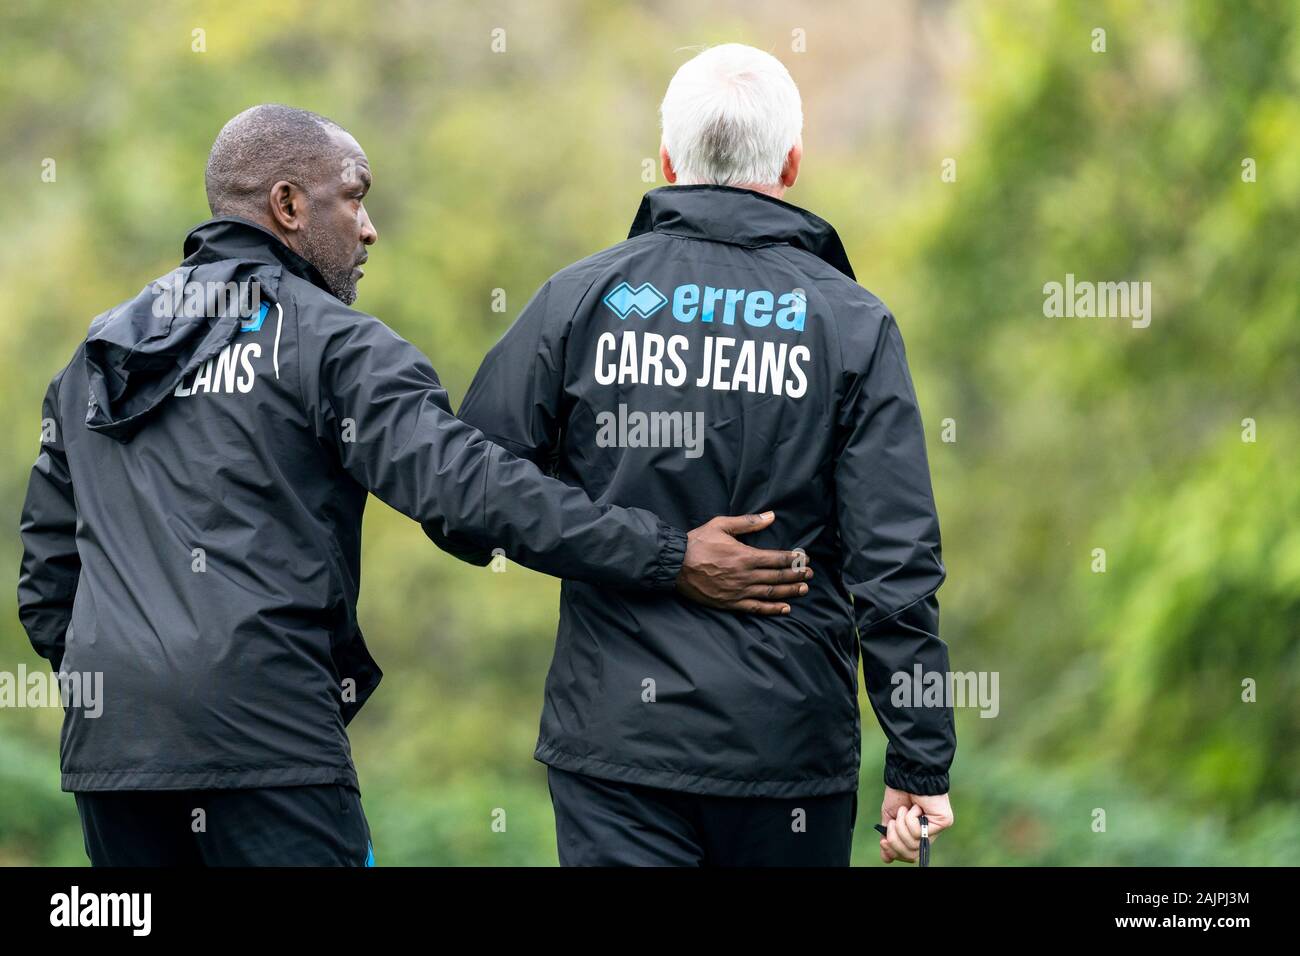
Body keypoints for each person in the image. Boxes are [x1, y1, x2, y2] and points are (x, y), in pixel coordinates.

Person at [16, 104, 811, 867]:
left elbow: (48, 579)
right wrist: (668, 554)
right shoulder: (333, 345)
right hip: (268, 749)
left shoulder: (99, 357)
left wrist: (132, 681)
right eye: (354, 197)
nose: (369, 227)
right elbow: (473, 491)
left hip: (112, 757)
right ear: (288, 205)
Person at [452, 44, 955, 866]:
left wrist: (631, 548)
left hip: (617, 748)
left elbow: (464, 499)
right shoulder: (854, 324)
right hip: (788, 757)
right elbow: (895, 564)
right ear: (792, 163)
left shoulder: (580, 300)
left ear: (667, 162)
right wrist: (920, 756)